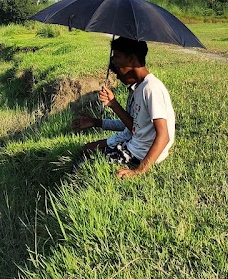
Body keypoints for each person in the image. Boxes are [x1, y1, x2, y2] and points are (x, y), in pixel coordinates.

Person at [71, 37, 175, 179]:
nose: (113, 61)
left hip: (139, 154)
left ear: (132, 59)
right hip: (134, 146)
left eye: (117, 56)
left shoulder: (151, 88)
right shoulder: (138, 87)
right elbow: (135, 126)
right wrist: (112, 104)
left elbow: (164, 136)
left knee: (81, 168)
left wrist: (139, 171)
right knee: (86, 151)